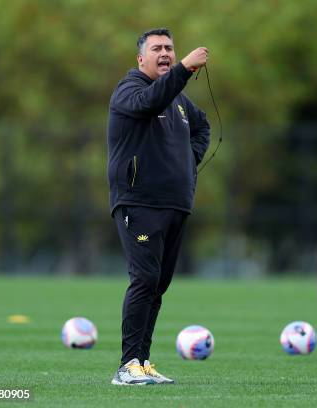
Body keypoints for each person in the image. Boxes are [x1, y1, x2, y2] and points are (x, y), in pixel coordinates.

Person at [107, 28, 210, 385]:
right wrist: (184, 68)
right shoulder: (130, 90)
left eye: (170, 47)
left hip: (175, 204)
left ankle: (142, 361)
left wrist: (187, 162)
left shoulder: (180, 103)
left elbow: (203, 127)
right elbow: (149, 102)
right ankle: (127, 365)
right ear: (141, 59)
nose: (165, 53)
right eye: (157, 49)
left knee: (158, 285)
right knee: (144, 280)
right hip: (140, 203)